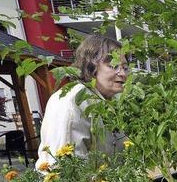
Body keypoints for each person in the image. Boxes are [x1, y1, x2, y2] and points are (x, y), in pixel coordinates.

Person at [35, 35, 129, 170]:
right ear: (91, 65)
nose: (123, 74)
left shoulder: (110, 101)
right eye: (113, 65)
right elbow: (67, 168)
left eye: (124, 67)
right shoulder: (74, 99)